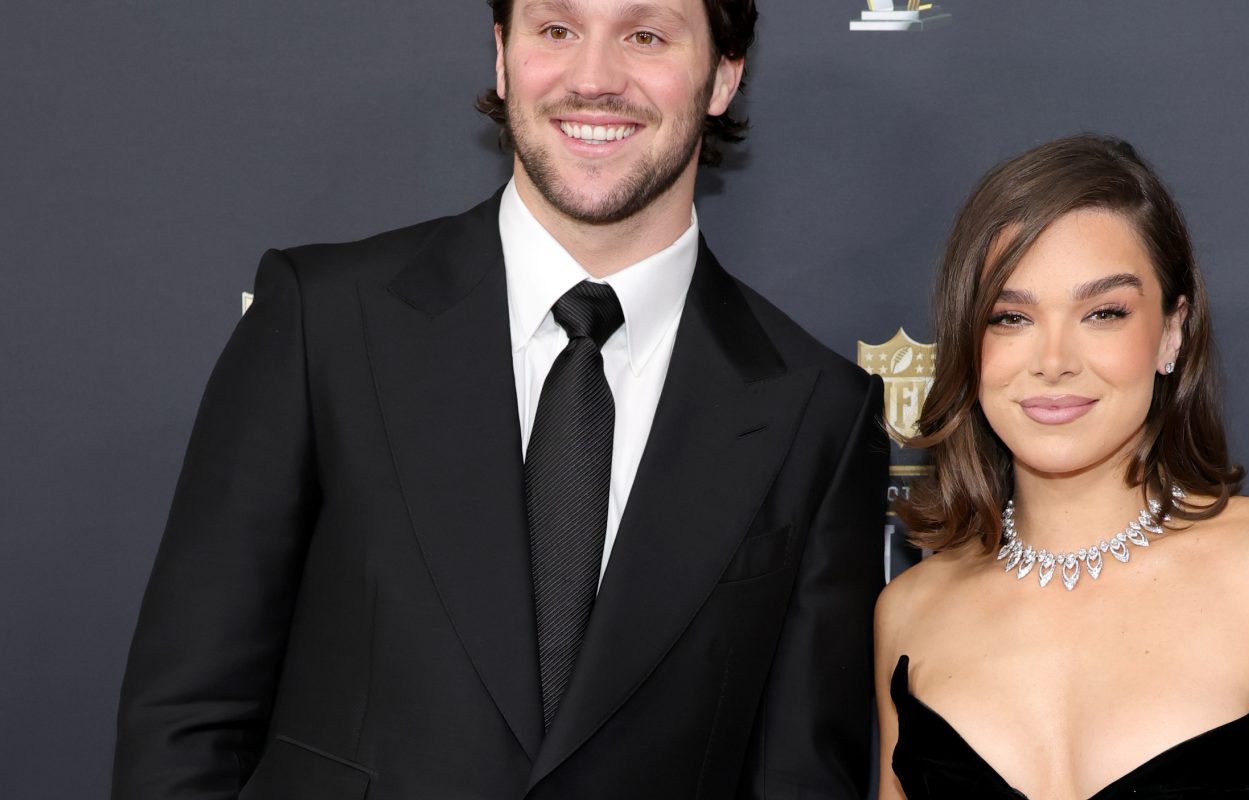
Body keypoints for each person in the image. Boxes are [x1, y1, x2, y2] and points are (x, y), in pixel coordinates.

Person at [113, 0, 889, 797]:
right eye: (557, 30)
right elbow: (188, 719)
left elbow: (802, 778)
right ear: (501, 56)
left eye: (646, 36)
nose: (593, 79)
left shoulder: (818, 411)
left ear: (723, 76)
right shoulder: (325, 321)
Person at [875, 134, 1249, 798]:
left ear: (1172, 331)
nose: (1054, 359)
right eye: (1011, 317)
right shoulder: (911, 612)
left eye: (1103, 312)